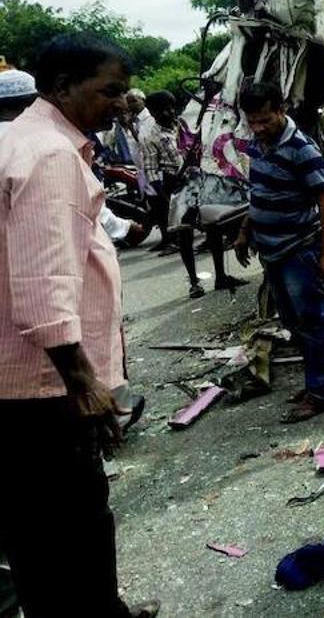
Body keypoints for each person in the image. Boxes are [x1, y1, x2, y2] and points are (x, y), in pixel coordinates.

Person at [0, 34, 159, 618]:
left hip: (23, 383)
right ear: (62, 88)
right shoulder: (50, 156)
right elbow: (44, 285)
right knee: (74, 521)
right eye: (109, 91)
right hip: (43, 385)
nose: (121, 103)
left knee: (36, 531)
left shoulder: (28, 141)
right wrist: (84, 381)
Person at [234, 81, 324, 423]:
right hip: (272, 251)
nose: (259, 127)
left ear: (281, 109)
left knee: (312, 320)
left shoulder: (301, 148)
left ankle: (323, 391)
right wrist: (245, 231)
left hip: (299, 248)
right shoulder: (259, 142)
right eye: (252, 121)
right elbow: (258, 190)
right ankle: (319, 383)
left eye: (265, 119)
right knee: (292, 321)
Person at [140, 91, 185, 251]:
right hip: (171, 180)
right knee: (171, 214)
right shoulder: (150, 137)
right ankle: (172, 241)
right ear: (153, 113)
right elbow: (151, 169)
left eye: (170, 108)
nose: (168, 113)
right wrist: (160, 193)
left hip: (192, 176)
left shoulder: (184, 126)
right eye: (161, 111)